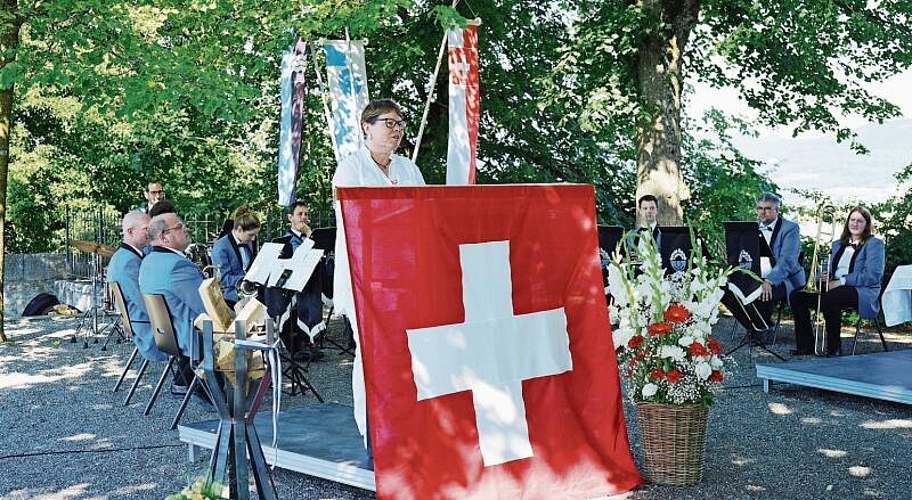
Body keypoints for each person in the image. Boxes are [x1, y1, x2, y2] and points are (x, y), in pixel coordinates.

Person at [332, 98, 426, 443]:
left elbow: (423, 215)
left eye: (400, 123)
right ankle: (370, 426)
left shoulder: (409, 169)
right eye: (389, 122)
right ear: (366, 127)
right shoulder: (350, 169)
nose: (397, 130)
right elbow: (359, 221)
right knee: (371, 350)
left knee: (406, 349)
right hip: (365, 276)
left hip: (405, 274)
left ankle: (404, 418)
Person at [789, 206, 885, 357]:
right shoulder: (837, 244)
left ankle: (835, 348)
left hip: (861, 290)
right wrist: (822, 275)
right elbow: (827, 267)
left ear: (866, 224)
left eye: (860, 221)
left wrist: (841, 281)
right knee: (797, 296)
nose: (855, 223)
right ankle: (806, 345)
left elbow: (872, 276)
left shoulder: (875, 244)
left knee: (830, 297)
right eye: (852, 220)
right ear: (847, 223)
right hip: (835, 287)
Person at [139, 212, 208, 399]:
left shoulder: (148, 261)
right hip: (193, 339)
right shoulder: (177, 265)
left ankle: (187, 381)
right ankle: (233, 396)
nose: (185, 228)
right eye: (179, 227)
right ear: (164, 237)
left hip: (168, 336)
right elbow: (208, 308)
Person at [722, 192, 805, 333]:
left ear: (777, 210)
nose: (763, 212)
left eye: (767, 208)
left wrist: (770, 281)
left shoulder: (790, 228)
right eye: (760, 208)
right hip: (755, 275)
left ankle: (760, 329)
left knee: (762, 290)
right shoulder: (751, 229)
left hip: (784, 278)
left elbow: (787, 261)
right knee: (724, 289)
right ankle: (758, 327)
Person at [266, 201, 325, 361]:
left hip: (309, 285)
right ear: (290, 218)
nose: (304, 218)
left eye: (306, 214)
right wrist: (309, 234)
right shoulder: (287, 240)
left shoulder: (311, 237)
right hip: (289, 289)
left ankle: (308, 341)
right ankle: (297, 345)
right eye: (300, 214)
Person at [107, 212, 168, 364]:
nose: (151, 232)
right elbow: (146, 304)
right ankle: (184, 383)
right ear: (130, 232)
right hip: (149, 332)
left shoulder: (123, 256)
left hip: (143, 325)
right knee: (201, 334)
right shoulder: (128, 262)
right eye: (146, 228)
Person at [211, 206, 260, 308]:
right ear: (239, 229)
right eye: (251, 235)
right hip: (230, 297)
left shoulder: (249, 241)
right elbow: (224, 279)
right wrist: (249, 279)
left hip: (248, 292)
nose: (253, 238)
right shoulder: (220, 247)